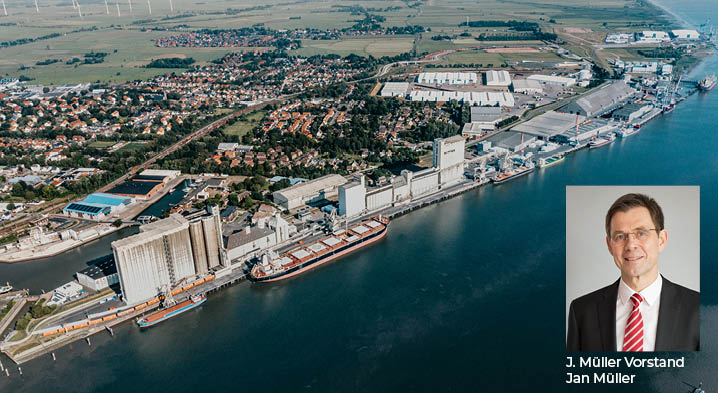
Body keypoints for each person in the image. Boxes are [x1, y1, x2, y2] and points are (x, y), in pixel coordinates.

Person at [567, 193, 699, 352]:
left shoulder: (698, 309)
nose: (631, 245)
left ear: (661, 239)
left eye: (641, 233)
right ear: (609, 245)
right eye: (620, 236)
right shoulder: (582, 311)